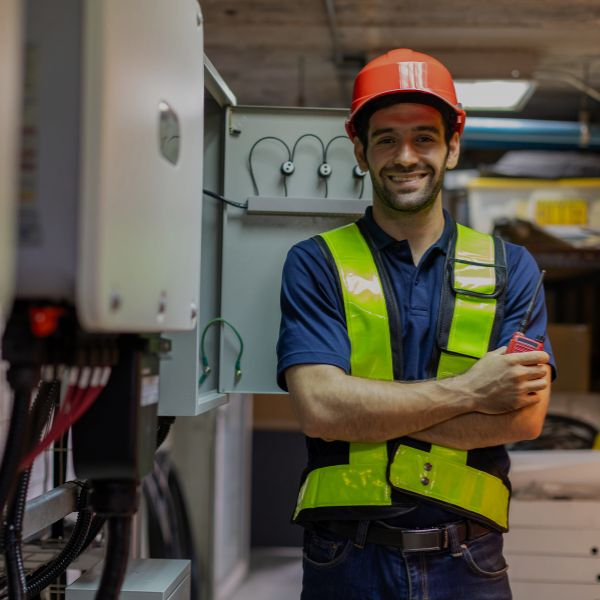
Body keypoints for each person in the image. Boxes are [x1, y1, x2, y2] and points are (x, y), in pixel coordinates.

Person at [276, 48, 554, 600]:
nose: (406, 156)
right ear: (359, 149)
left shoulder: (511, 267)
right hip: (345, 560)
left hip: (469, 562)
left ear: (453, 145)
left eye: (424, 137)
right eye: (386, 139)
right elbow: (321, 410)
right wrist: (473, 391)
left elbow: (523, 420)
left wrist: (367, 412)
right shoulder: (316, 262)